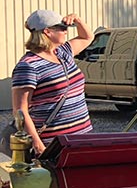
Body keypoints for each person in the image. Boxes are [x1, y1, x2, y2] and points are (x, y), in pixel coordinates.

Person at [11, 9, 94, 156]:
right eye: (62, 28)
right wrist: (39, 146)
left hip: (83, 137)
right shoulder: (28, 65)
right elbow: (20, 111)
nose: (66, 32)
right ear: (48, 32)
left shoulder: (63, 53)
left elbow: (87, 37)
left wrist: (78, 20)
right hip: (55, 145)